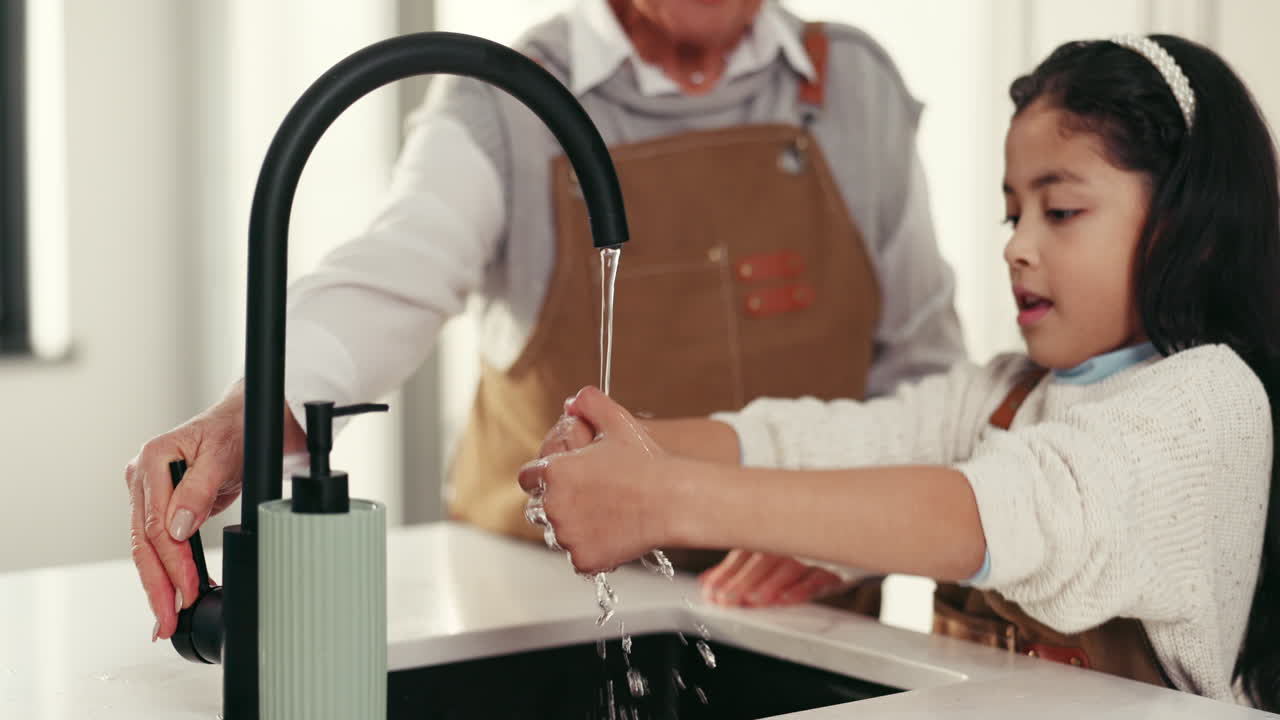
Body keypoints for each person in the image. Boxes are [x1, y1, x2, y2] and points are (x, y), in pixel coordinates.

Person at [127, 0, 966, 644]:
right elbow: (390, 274)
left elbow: (926, 377)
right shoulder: (506, 98)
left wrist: (840, 534)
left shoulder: (856, 86)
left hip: (805, 616)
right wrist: (247, 419)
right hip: (546, 610)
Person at [521, 34, 1280, 709]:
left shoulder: (1208, 401)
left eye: (1061, 211)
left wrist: (665, 499)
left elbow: (998, 513)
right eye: (1012, 214)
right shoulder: (1009, 393)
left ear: (1190, 227)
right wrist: (631, 445)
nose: (1017, 245)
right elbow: (831, 439)